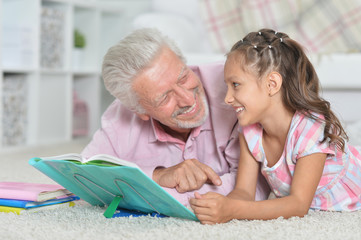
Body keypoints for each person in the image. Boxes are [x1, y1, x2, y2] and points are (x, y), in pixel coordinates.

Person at [190, 28, 361, 224]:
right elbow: (244, 191)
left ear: (272, 84)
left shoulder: (309, 130)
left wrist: (233, 209)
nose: (227, 98)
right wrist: (222, 207)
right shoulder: (249, 132)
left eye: (235, 85)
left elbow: (298, 205)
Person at [81, 28, 270, 206]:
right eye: (164, 97)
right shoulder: (120, 117)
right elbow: (84, 176)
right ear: (139, 110)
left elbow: (256, 186)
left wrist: (154, 192)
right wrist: (158, 177)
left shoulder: (235, 89)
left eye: (183, 77)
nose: (188, 99)